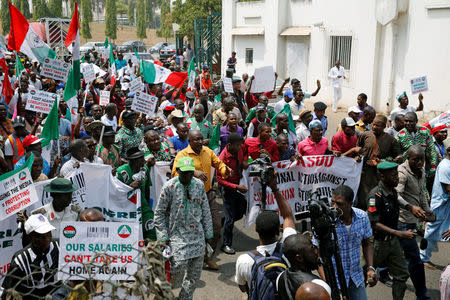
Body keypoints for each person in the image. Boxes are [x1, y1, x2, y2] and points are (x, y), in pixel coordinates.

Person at [155, 156, 213, 300]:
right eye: (184, 172)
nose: (187, 175)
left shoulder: (199, 185)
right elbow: (159, 213)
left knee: (193, 276)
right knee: (176, 268)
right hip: (177, 235)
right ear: (178, 171)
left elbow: (205, 210)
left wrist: (209, 235)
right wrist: (163, 237)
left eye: (190, 172)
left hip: (197, 235)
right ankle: (163, 295)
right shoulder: (170, 187)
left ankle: (185, 298)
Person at [172, 130, 232, 270]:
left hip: (208, 194)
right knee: (191, 229)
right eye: (196, 140)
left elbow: (219, 163)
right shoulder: (182, 155)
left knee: (216, 226)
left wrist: (225, 170)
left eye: (201, 139)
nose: (199, 142)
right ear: (189, 141)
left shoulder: (208, 151)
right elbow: (175, 173)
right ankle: (189, 258)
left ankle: (207, 257)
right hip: (190, 197)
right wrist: (193, 172)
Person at [235, 173, 296, 295]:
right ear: (278, 231)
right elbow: (288, 216)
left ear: (256, 230)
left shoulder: (244, 260)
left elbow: (243, 288)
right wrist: (274, 188)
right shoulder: (289, 248)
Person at [366, 161, 412, 300]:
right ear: (382, 176)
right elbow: (374, 223)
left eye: (397, 174)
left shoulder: (392, 191)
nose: (397, 178)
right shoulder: (375, 196)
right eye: (393, 175)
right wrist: (398, 233)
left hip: (393, 242)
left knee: (402, 274)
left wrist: (411, 208)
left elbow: (398, 203)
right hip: (377, 244)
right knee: (363, 276)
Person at [396, 145, 432, 300]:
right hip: (402, 220)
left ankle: (381, 270)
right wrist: (410, 207)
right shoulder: (402, 173)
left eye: (421, 159)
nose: (419, 162)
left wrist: (427, 210)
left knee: (394, 253)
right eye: (415, 159)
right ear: (408, 159)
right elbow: (395, 195)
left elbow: (421, 193)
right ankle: (422, 294)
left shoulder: (421, 170)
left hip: (413, 219)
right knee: (415, 260)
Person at [330, 185, 376, 300]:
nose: (334, 207)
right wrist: (330, 286)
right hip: (334, 281)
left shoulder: (362, 217)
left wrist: (370, 268)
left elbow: (367, 243)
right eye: (332, 202)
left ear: (351, 204)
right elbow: (319, 255)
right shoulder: (327, 221)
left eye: (339, 204)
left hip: (356, 277)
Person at [1, 214, 61, 298]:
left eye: (48, 233)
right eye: (41, 235)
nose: (47, 238)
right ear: (31, 236)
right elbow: (8, 292)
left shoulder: (60, 247)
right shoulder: (20, 259)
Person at [356, 114, 403, 210]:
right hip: (365, 174)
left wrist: (382, 162)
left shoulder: (391, 140)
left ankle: (373, 217)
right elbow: (358, 148)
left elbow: (399, 157)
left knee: (376, 199)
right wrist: (357, 156)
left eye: (377, 125)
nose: (374, 127)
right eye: (373, 124)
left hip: (380, 176)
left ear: (384, 127)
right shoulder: (365, 135)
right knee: (363, 199)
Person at [217, 133, 248, 254]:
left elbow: (245, 151)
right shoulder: (222, 159)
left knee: (240, 212)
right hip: (228, 188)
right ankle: (226, 244)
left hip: (239, 185)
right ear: (229, 145)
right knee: (230, 218)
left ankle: (219, 224)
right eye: (237, 146)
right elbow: (220, 180)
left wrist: (245, 160)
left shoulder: (240, 148)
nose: (240, 147)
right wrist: (236, 187)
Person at [420, 146, 450, 269]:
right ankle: (423, 258)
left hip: (446, 204)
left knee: (444, 231)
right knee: (431, 232)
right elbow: (448, 189)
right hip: (440, 205)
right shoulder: (445, 166)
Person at [276, 234, 331, 300]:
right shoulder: (319, 286)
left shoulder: (280, 278)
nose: (316, 252)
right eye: (312, 249)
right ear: (299, 258)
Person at [116, 147, 155, 241]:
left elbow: (147, 190)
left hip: (143, 206)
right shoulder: (121, 172)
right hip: (127, 209)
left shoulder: (145, 169)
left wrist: (147, 206)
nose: (143, 160)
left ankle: (152, 251)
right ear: (132, 161)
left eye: (143, 157)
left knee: (151, 230)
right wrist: (129, 186)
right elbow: (116, 193)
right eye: (140, 158)